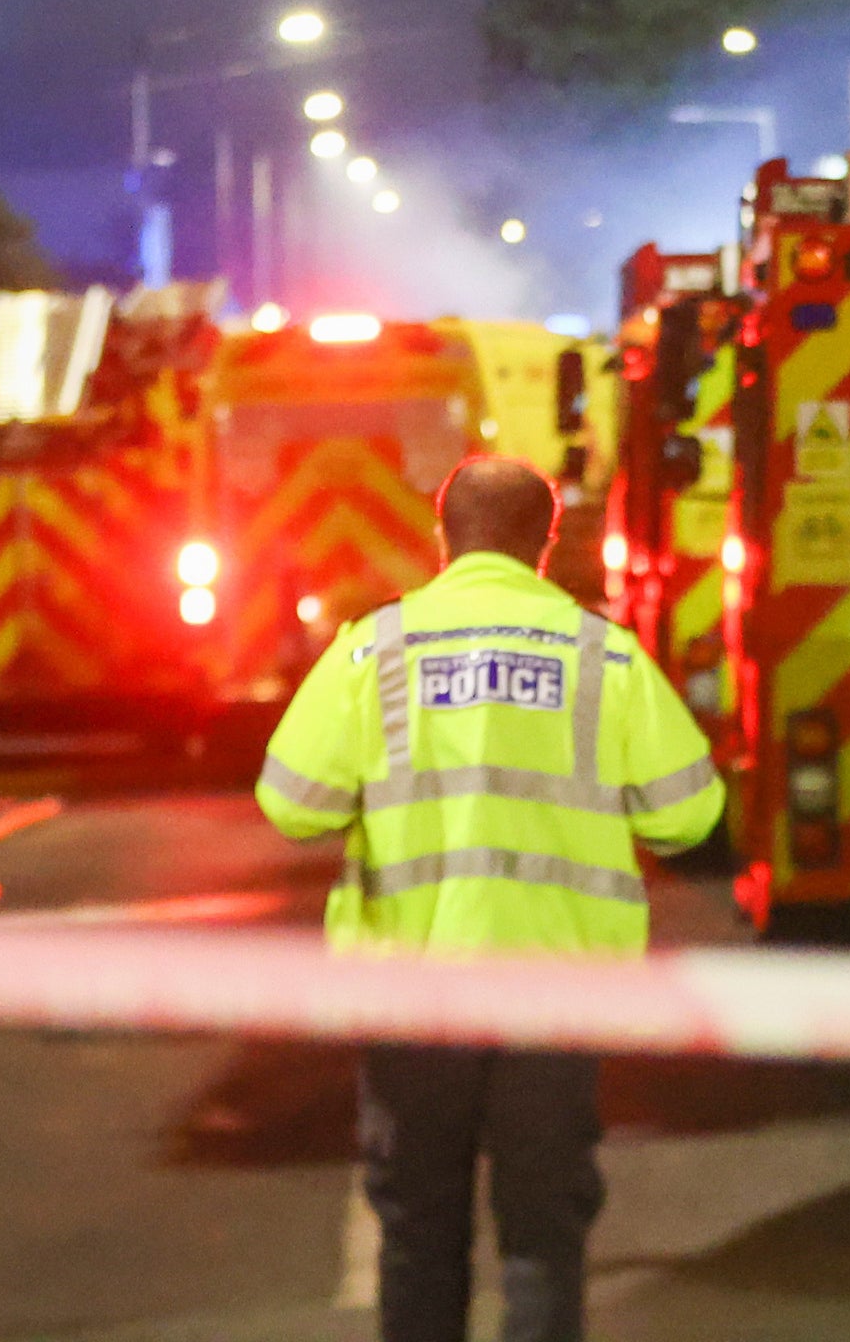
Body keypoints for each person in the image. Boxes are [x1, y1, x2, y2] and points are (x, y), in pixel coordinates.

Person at [258, 455, 723, 1342]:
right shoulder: (602, 654)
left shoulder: (373, 648)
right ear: (544, 545)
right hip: (554, 995)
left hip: (412, 995)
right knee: (542, 1240)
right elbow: (688, 815)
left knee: (419, 1230)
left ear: (445, 538)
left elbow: (291, 803)